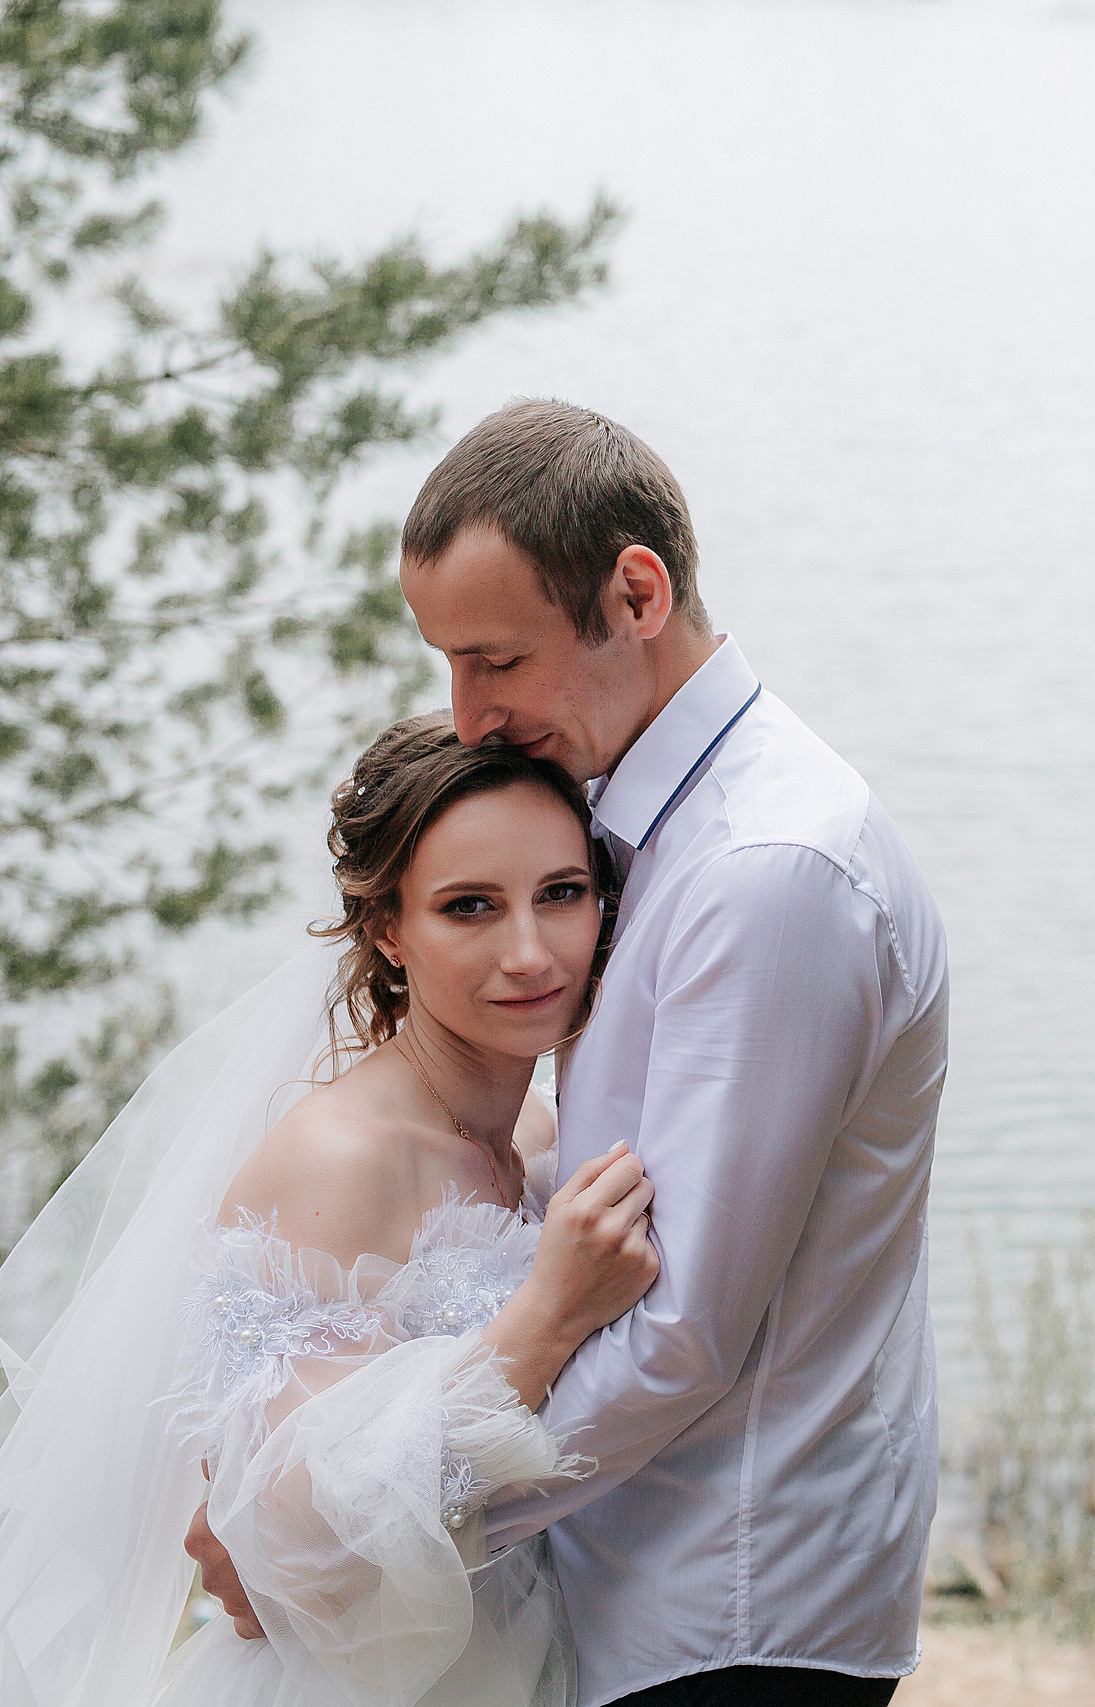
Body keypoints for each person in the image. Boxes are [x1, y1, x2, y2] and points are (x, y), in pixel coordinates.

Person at [195, 400, 950, 1707]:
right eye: (447, 663)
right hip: (620, 1592)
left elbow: (677, 1335)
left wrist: (338, 1544)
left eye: (495, 657)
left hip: (726, 1607)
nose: (469, 712)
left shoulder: (763, 870)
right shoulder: (635, 816)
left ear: (637, 592)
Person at [0, 719, 661, 1706]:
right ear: (388, 928)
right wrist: (552, 1311)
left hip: (527, 1657)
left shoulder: (530, 1132)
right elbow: (296, 1546)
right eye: (469, 907)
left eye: (560, 894)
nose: (530, 951)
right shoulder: (341, 1155)